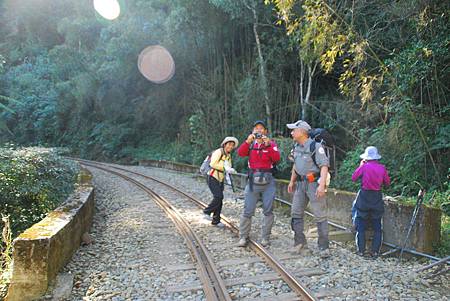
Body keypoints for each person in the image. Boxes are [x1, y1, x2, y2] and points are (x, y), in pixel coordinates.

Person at [287, 120, 330, 256]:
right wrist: (292, 181)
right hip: (300, 184)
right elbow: (295, 165)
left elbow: (324, 166)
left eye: (294, 130)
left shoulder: (316, 147)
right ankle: (300, 243)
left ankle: (324, 247)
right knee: (296, 213)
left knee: (319, 215)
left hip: (314, 184)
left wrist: (322, 185)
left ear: (302, 132)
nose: (292, 132)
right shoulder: (296, 147)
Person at [237, 120, 280, 247]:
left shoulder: (271, 144)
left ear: (265, 131)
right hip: (252, 180)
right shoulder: (250, 144)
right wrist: (247, 141)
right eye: (256, 128)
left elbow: (277, 158)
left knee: (268, 210)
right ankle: (243, 236)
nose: (259, 131)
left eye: (261, 128)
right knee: (248, 209)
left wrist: (267, 145)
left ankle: (265, 237)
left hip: (268, 180)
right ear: (253, 131)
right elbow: (240, 153)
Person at [352, 146, 390, 258]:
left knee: (361, 226)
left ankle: (361, 251)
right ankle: (375, 251)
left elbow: (354, 178)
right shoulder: (382, 168)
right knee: (377, 226)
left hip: (364, 197)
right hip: (376, 197)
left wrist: (360, 166)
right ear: (376, 157)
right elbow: (387, 182)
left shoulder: (364, 167)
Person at [203, 136, 238, 226]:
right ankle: (206, 211)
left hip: (220, 178)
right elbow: (213, 163)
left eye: (232, 145)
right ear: (225, 144)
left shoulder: (228, 155)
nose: (230, 147)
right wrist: (224, 168)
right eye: (229, 144)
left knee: (220, 199)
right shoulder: (219, 152)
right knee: (218, 196)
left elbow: (228, 167)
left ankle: (216, 220)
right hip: (212, 176)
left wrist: (230, 170)